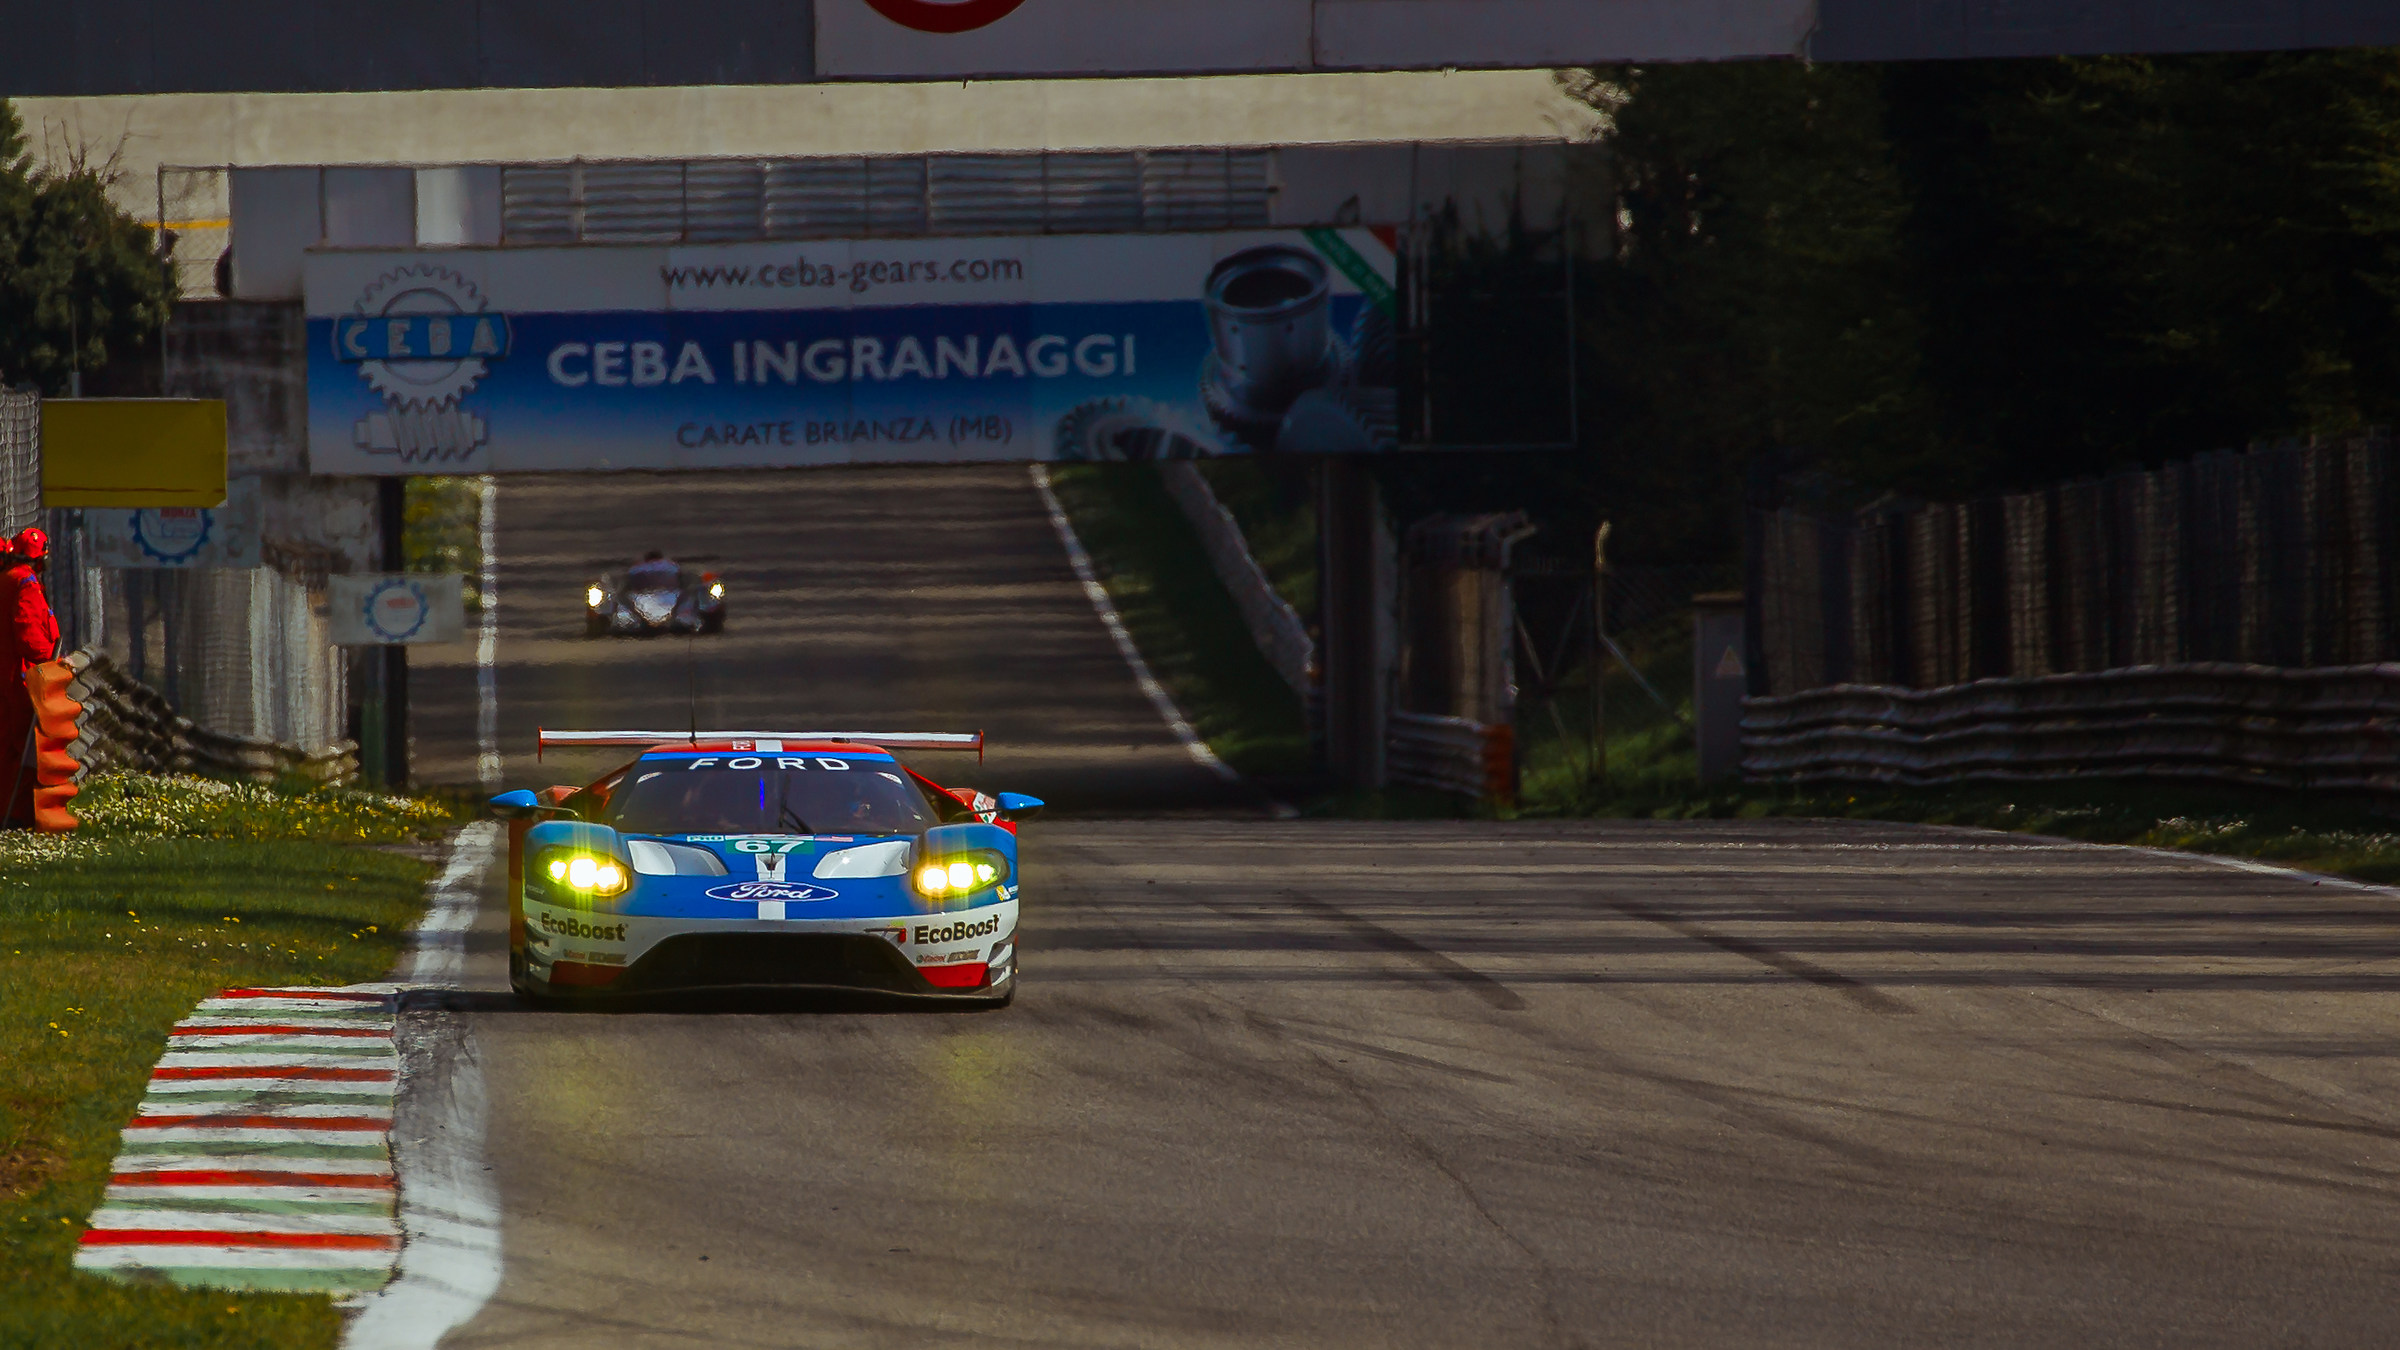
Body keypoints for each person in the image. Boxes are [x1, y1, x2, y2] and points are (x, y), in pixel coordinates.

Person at [1, 527, 58, 827]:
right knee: (21, 749)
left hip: (8, 676)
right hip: (17, 679)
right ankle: (17, 815)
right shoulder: (25, 584)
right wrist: (49, 658)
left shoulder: (8, 580)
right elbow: (28, 633)